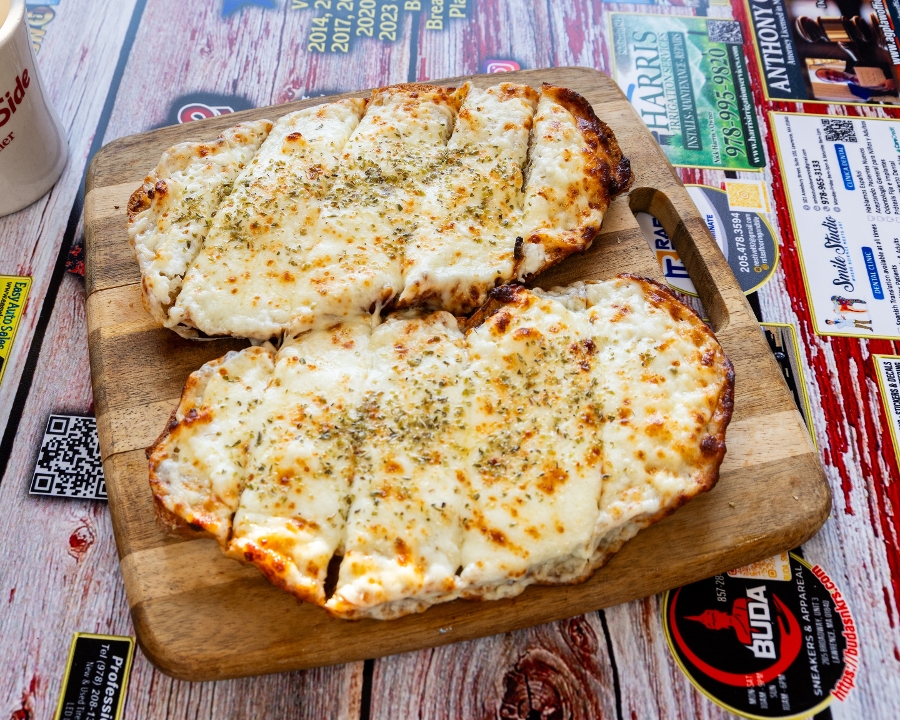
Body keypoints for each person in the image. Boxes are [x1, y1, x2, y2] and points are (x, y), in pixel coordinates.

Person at [815, 67, 897, 100]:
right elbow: (881, 95)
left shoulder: (853, 63)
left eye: (828, 72)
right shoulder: (855, 91)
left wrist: (892, 78)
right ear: (832, 82)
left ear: (831, 69)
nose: (832, 76)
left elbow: (885, 64)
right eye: (829, 78)